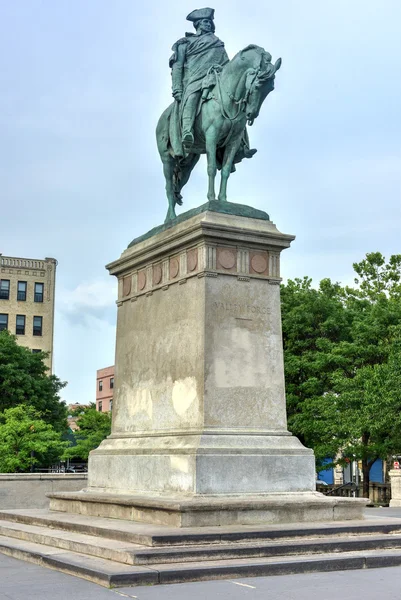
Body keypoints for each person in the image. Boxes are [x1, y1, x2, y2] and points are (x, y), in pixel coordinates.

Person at [169, 8, 229, 148]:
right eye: (205, 22)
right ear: (197, 24)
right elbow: (177, 66)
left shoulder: (217, 42)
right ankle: (187, 131)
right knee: (192, 97)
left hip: (216, 78)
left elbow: (227, 63)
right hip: (194, 80)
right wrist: (177, 87)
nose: (208, 24)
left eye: (209, 22)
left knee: (234, 102)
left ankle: (240, 144)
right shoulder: (185, 42)